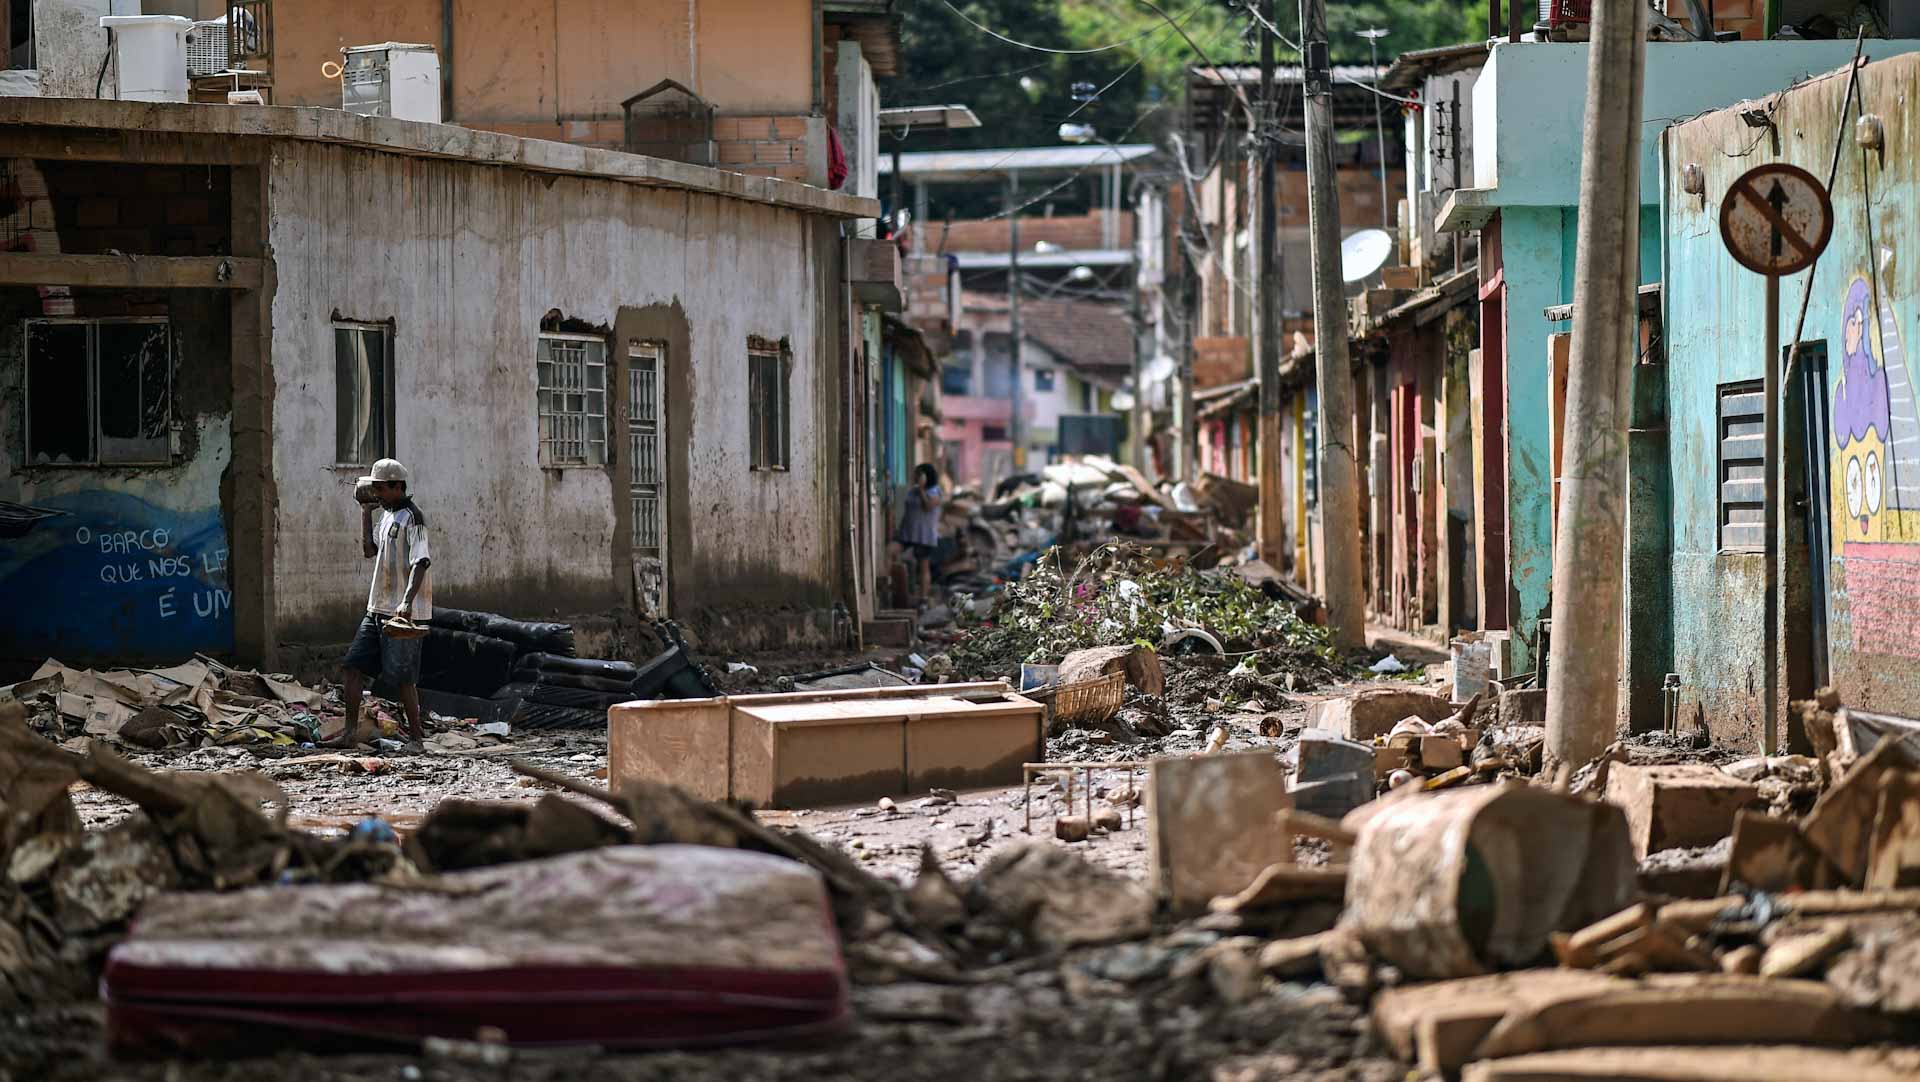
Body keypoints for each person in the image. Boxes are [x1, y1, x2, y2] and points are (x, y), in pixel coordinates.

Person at [334, 458, 432, 745]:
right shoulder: (386, 516)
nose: (376, 493)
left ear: (397, 486)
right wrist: (365, 512)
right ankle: (350, 734)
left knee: (403, 678)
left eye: (380, 488)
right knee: (352, 667)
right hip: (376, 607)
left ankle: (416, 738)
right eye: (374, 488)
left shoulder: (413, 518)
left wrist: (407, 602)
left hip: (401, 611)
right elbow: (369, 550)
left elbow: (421, 561)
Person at [896, 463, 943, 604]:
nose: (915, 477)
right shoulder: (913, 491)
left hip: (924, 536)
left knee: (923, 566)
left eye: (919, 474)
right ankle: (897, 591)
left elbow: (928, 506)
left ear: (926, 476)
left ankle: (923, 599)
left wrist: (922, 489)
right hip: (907, 534)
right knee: (890, 551)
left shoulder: (935, 491)